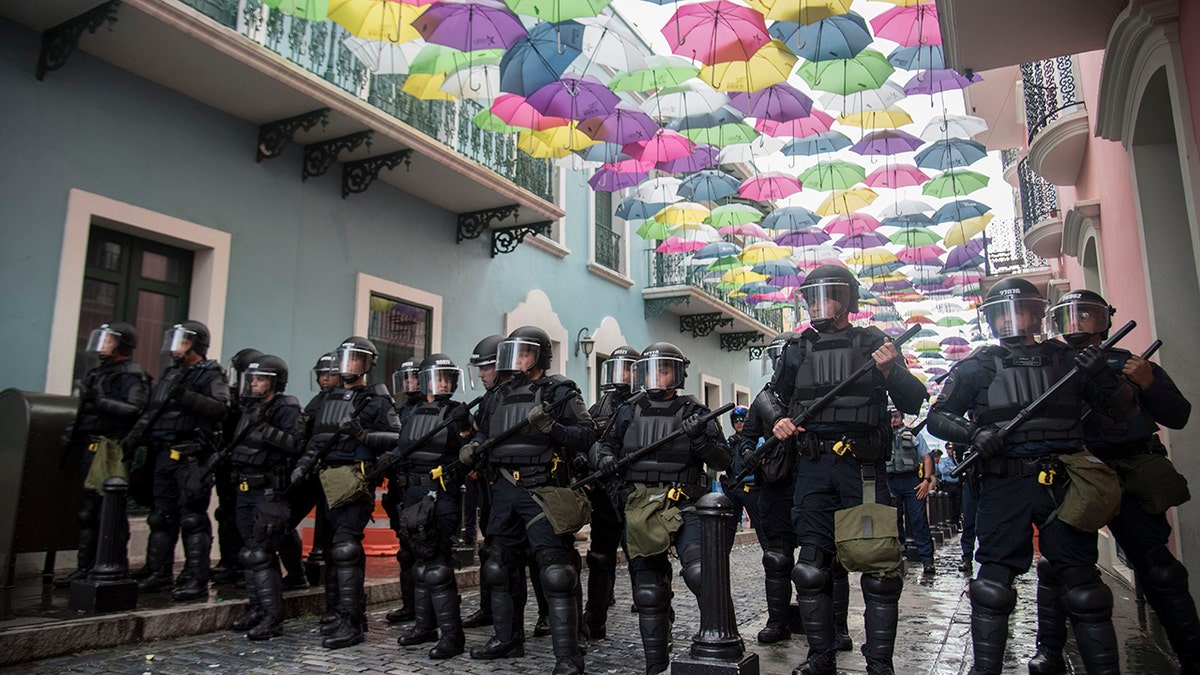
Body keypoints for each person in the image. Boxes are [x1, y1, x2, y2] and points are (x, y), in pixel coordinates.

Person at [926, 278, 1136, 675]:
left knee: (1084, 587)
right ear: (992, 320)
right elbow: (938, 416)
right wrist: (974, 433)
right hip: (1005, 482)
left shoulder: (1067, 359)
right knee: (991, 588)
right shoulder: (979, 364)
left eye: (1020, 310)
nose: (1012, 319)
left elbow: (1121, 411)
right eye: (1003, 313)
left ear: (1038, 314)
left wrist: (1104, 377)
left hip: (1064, 481)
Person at [767, 265, 928, 675]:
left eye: (828, 296)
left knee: (879, 572)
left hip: (864, 469)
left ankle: (879, 665)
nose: (818, 305)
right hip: (815, 466)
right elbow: (773, 399)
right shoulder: (796, 350)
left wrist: (891, 370)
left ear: (847, 301)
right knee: (809, 568)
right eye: (813, 297)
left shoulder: (874, 342)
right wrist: (779, 420)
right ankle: (821, 657)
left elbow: (913, 401)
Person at [1026, 290, 1198, 673]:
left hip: (1128, 468)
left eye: (1086, 315)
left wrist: (1150, 383)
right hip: (1074, 474)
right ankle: (1049, 651)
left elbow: (1179, 415)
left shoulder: (1129, 364)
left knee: (1160, 568)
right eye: (1068, 317)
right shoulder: (1049, 366)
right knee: (1058, 567)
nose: (1077, 324)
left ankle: (1192, 655)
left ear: (1104, 321)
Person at [458, 326, 596, 675]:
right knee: (498, 566)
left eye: (525, 353)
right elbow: (486, 436)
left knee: (556, 572)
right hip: (504, 491)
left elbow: (587, 435)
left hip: (543, 489)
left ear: (541, 356)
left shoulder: (560, 391)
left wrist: (553, 428)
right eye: (513, 353)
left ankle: (568, 656)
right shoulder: (496, 396)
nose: (517, 360)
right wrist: (473, 449)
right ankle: (507, 639)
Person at [594, 342, 731, 675]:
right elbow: (602, 444)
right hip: (640, 505)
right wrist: (606, 459)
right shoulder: (628, 409)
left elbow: (724, 459)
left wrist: (699, 438)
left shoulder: (695, 410)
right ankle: (656, 664)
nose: (657, 377)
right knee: (648, 591)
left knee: (702, 574)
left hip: (685, 503)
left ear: (678, 373)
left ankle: (723, 644)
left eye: (665, 369)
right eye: (651, 370)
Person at [290, 336, 400, 649]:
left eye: (356, 359)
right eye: (345, 359)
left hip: (355, 479)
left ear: (367, 364)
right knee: (332, 551)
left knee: (345, 549)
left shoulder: (377, 400)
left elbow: (397, 438)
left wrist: (364, 434)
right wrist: (302, 466)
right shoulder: (328, 399)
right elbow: (317, 440)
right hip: (326, 480)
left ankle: (352, 622)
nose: (349, 365)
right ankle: (337, 614)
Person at [123, 321, 230, 600]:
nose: (176, 349)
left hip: (192, 457)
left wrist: (186, 397)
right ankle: (158, 572)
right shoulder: (171, 373)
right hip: (163, 455)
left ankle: (196, 577)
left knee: (193, 518)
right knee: (160, 517)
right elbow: (153, 411)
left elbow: (221, 408)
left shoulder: (211, 374)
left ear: (196, 346)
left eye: (182, 343)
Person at [54, 322, 150, 588]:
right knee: (87, 511)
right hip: (90, 444)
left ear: (121, 345)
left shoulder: (132, 374)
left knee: (109, 510)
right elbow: (86, 409)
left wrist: (99, 400)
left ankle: (114, 565)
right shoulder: (97, 373)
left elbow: (133, 409)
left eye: (108, 341)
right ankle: (84, 567)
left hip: (111, 447)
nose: (103, 345)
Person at [391, 354, 473, 659]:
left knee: (437, 566)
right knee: (420, 563)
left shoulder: (457, 413)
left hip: (441, 495)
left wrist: (465, 429)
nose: (443, 384)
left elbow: (469, 452)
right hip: (411, 494)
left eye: (447, 379)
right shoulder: (411, 412)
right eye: (437, 378)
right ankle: (424, 626)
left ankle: (452, 636)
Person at [226, 355, 302, 640]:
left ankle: (272, 617)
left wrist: (265, 429)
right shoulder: (249, 408)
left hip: (269, 491)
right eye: (252, 379)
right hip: (245, 488)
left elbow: (295, 444)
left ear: (274, 382)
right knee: (249, 553)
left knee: (261, 553)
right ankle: (257, 609)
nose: (254, 383)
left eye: (260, 379)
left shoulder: (286, 407)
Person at [582, 344, 639, 640]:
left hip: (637, 493)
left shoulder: (647, 403)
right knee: (600, 556)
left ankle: (655, 613)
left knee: (643, 555)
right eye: (618, 368)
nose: (623, 375)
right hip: (605, 494)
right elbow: (586, 440)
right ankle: (595, 615)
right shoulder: (599, 408)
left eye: (629, 368)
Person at [289, 351, 342, 629]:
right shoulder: (316, 401)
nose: (324, 379)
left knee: (334, 539)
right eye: (321, 374)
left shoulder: (344, 400)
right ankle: (299, 570)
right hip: (311, 469)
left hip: (335, 472)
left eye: (329, 374)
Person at [460, 334, 505, 630]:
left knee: (544, 559)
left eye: (486, 367)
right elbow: (483, 434)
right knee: (492, 550)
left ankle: (545, 615)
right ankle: (489, 609)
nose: (481, 374)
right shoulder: (488, 399)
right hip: (492, 486)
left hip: (526, 485)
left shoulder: (520, 393)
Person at [212, 348, 263, 586]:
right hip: (228, 464)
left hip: (252, 469)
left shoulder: (262, 405)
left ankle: (246, 566)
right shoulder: (233, 400)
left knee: (248, 519)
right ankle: (228, 561)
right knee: (225, 513)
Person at [384, 359, 424, 626]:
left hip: (421, 489)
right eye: (405, 378)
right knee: (405, 551)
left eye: (414, 378)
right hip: (400, 485)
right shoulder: (400, 409)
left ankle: (425, 612)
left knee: (424, 553)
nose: (409, 383)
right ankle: (409, 605)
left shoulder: (428, 410)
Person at [885, 408, 936, 575]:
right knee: (893, 520)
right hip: (891, 480)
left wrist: (926, 481)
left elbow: (926, 457)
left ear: (902, 417)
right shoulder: (884, 436)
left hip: (911, 481)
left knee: (918, 519)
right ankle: (898, 556)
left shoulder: (913, 434)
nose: (893, 419)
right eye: (891, 416)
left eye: (896, 416)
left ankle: (927, 559)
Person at [723, 405, 766, 549]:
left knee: (761, 527)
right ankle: (720, 565)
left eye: (742, 419)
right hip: (733, 488)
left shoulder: (756, 440)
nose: (739, 422)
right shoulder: (730, 442)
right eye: (736, 420)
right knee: (727, 530)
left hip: (752, 488)